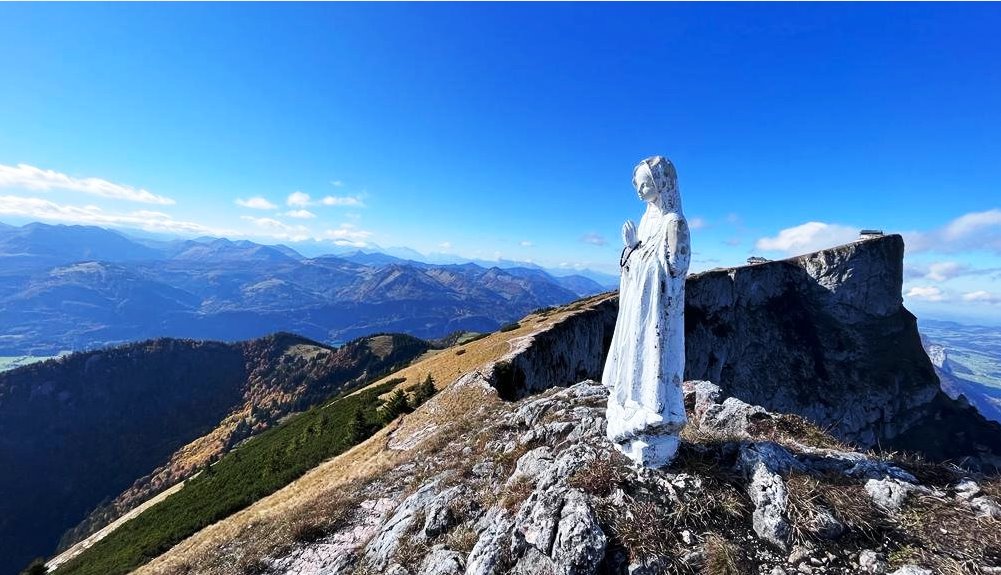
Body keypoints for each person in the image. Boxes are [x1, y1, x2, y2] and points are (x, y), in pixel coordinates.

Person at [603, 155, 691, 467]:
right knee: (635, 353)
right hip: (639, 310)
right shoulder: (645, 220)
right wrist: (630, 248)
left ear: (662, 183)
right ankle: (632, 405)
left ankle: (654, 411)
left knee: (653, 357)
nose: (639, 189)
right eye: (637, 184)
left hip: (657, 313)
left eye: (645, 183)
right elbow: (636, 263)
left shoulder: (674, 223)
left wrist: (636, 251)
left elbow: (675, 269)